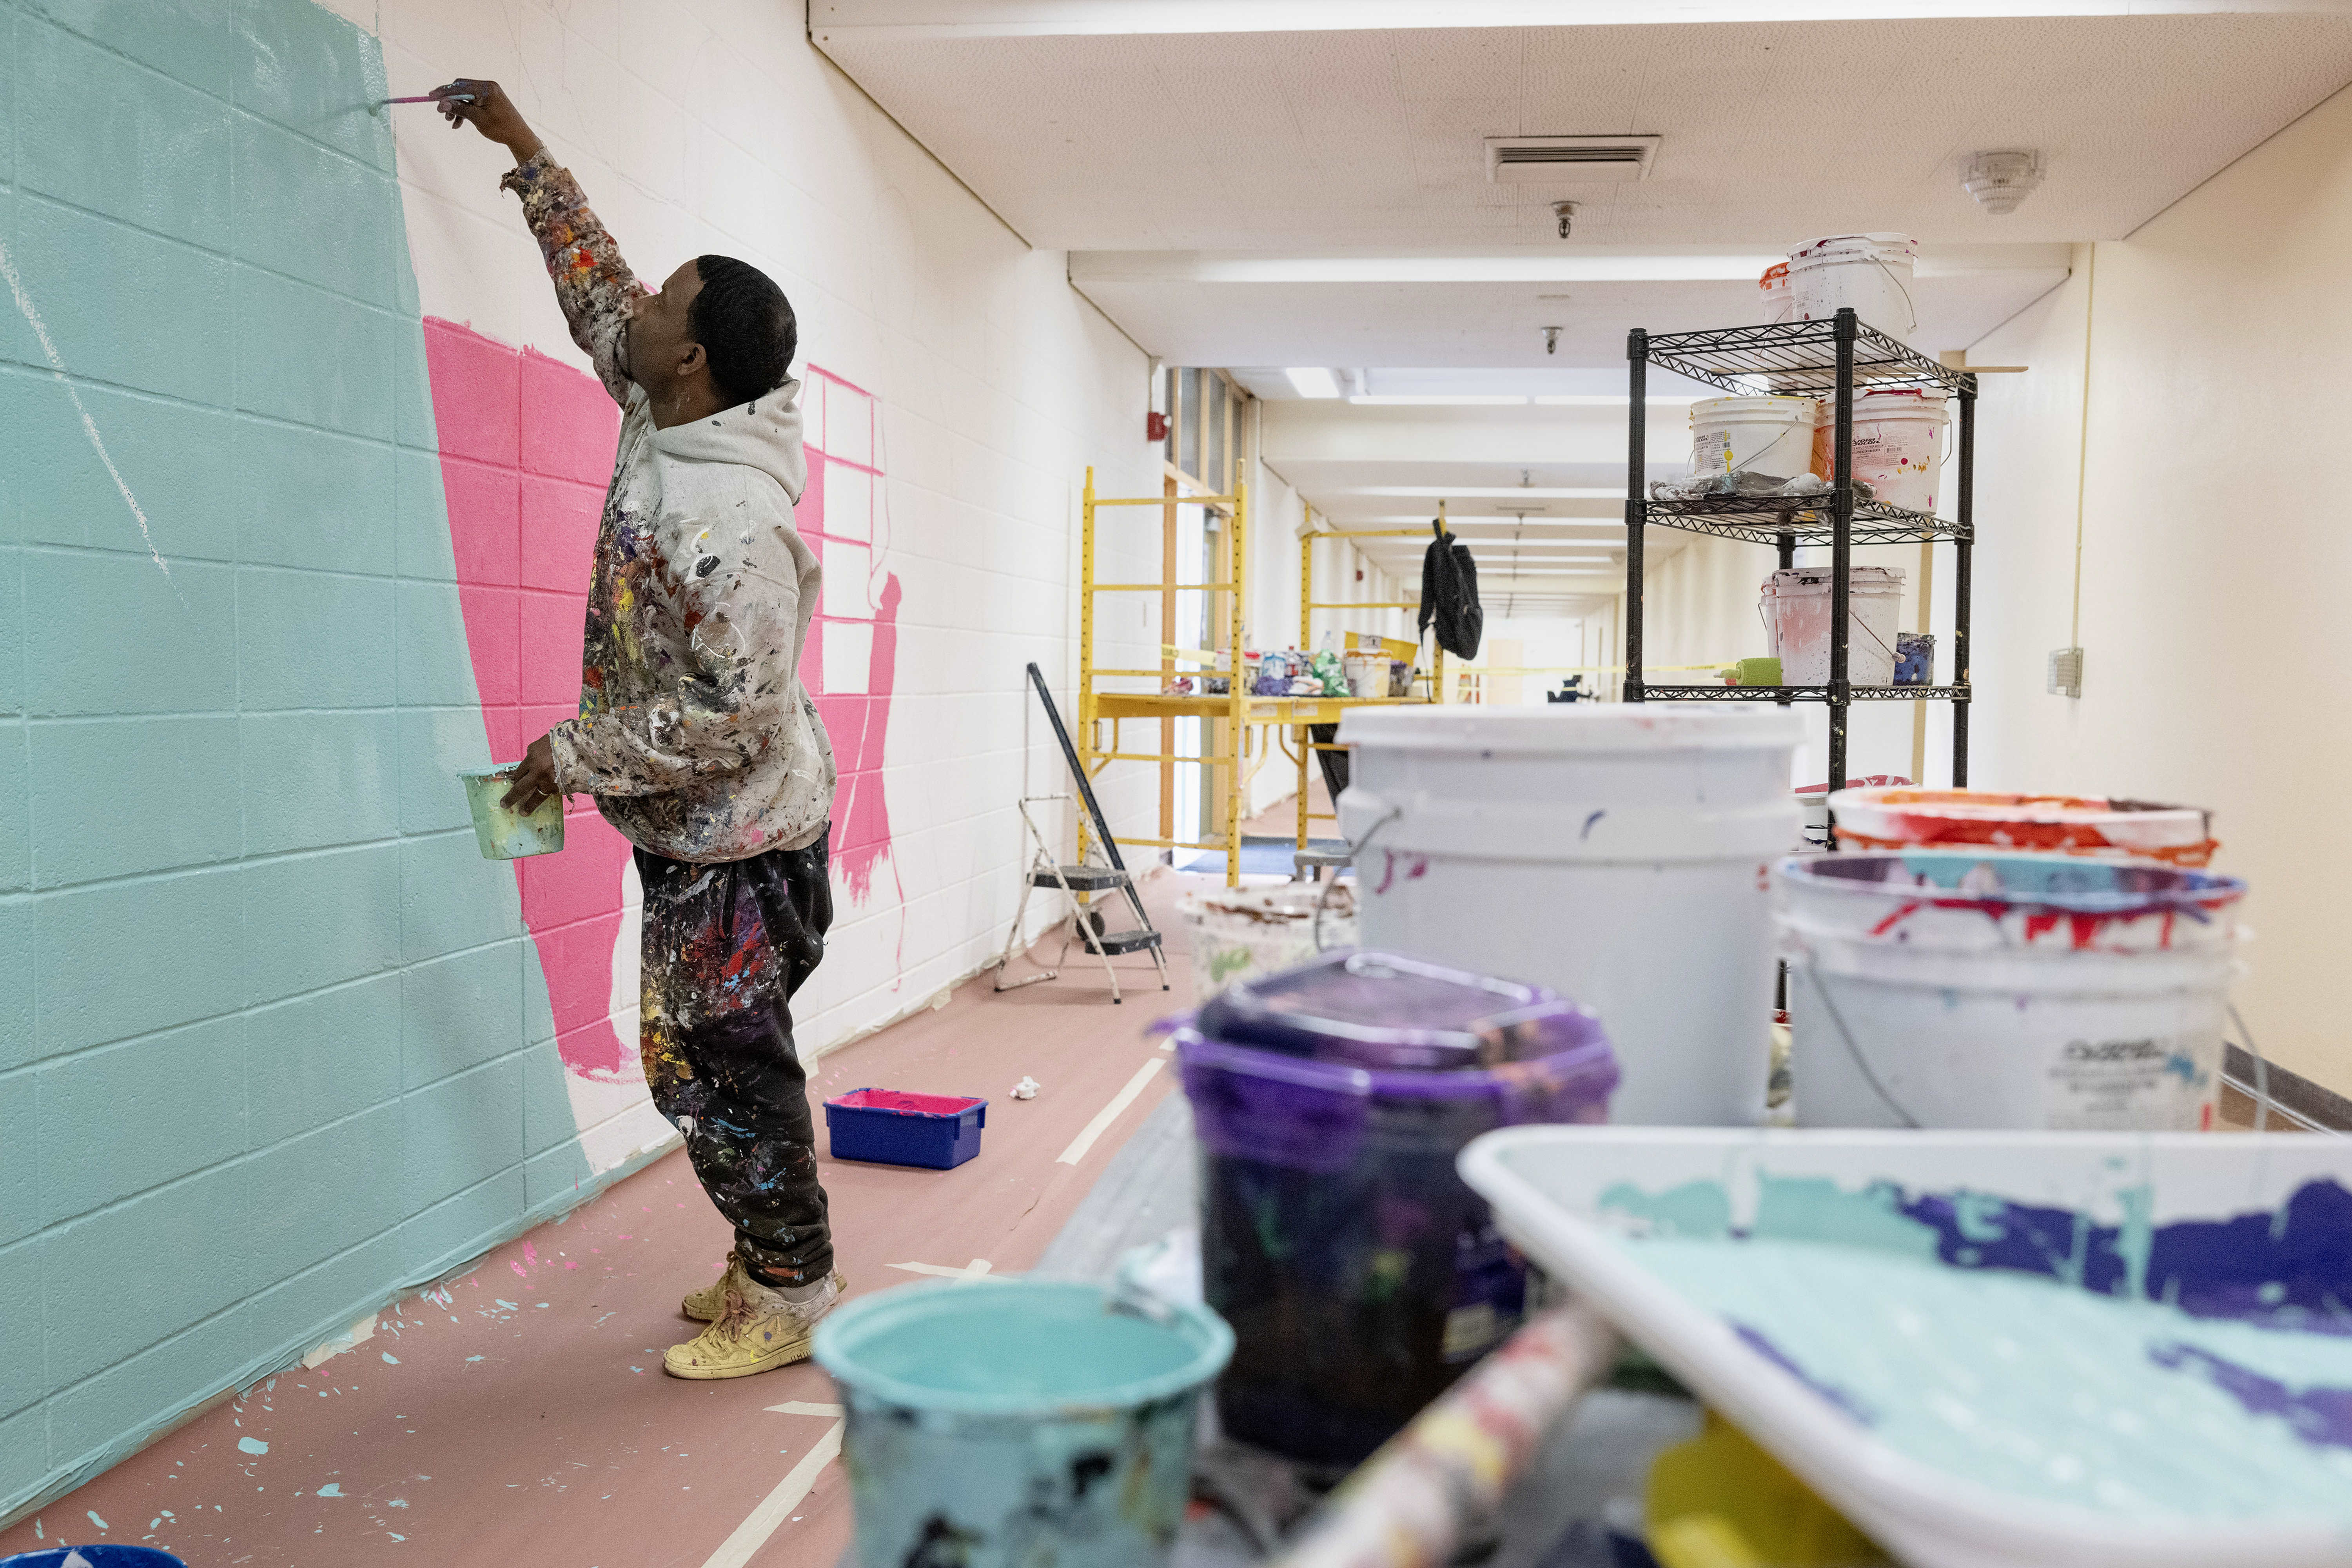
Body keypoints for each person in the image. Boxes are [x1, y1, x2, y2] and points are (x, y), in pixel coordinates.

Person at [436, 79, 842, 1380]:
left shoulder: (727, 521)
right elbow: (600, 291)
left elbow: (736, 715)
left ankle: (795, 1289)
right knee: (706, 1057)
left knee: (710, 1064)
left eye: (669, 308)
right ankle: (770, 1249)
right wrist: (527, 153)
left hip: (742, 842)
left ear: (697, 360)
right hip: (698, 829)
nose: (643, 312)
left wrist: (578, 752)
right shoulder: (664, 400)